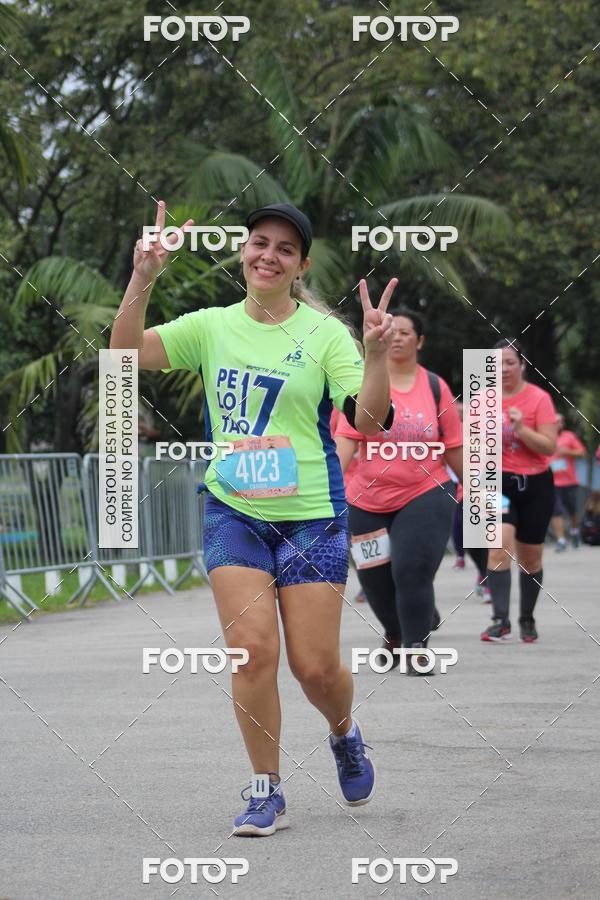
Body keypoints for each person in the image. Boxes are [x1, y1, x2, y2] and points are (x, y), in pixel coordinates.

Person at [110, 199, 397, 836]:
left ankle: (344, 733)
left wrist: (376, 355)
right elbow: (123, 355)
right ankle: (265, 789)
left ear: (301, 265)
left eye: (285, 249)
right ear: (244, 252)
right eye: (259, 242)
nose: (269, 255)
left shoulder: (324, 335)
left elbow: (371, 422)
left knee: (315, 668)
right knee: (251, 652)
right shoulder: (212, 325)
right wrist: (143, 276)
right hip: (233, 510)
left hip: (311, 518)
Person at [335, 307, 463, 674]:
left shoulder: (436, 387)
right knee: (374, 579)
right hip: (366, 497)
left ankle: (416, 646)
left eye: (406, 332)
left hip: (425, 489)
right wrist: (328, 490)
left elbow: (452, 445)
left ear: (419, 341)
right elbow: (345, 442)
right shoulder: (360, 384)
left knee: (411, 571)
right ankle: (396, 631)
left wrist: (477, 489)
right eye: (393, 331)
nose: (398, 337)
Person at [481, 339, 558, 644]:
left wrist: (522, 429)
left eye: (510, 362)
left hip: (536, 484)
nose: (503, 369)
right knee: (499, 547)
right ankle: (500, 620)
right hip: (495, 482)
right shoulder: (482, 401)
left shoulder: (539, 399)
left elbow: (549, 447)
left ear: (522, 365)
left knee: (531, 559)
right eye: (497, 363)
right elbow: (472, 449)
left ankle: (526, 618)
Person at [549, 414, 586, 550]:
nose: (558, 424)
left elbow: (582, 452)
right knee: (556, 510)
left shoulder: (569, 436)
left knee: (572, 510)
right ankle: (561, 540)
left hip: (569, 480)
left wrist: (568, 452)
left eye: (560, 421)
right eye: (556, 422)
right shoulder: (546, 437)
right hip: (552, 481)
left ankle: (574, 531)